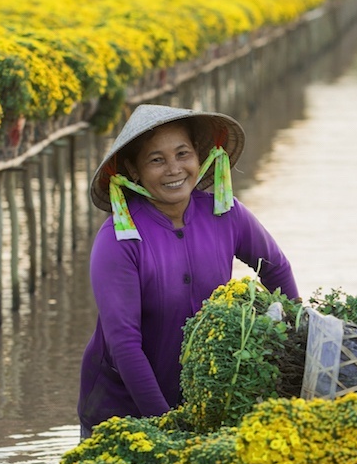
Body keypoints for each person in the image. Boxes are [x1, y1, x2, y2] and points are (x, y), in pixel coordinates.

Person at [78, 104, 298, 434]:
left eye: (183, 154)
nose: (174, 169)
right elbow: (124, 344)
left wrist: (297, 342)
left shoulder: (226, 214)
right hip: (121, 409)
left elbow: (276, 268)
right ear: (133, 170)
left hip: (202, 401)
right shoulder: (119, 240)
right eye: (156, 159)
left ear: (199, 156)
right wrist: (167, 424)